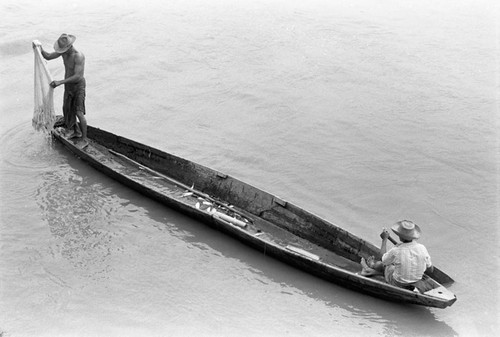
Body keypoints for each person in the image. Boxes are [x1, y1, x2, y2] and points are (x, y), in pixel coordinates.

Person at [34, 34, 88, 148]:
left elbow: (78, 76)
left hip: (78, 86)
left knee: (79, 112)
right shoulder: (64, 53)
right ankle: (74, 131)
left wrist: (60, 82)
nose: (62, 52)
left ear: (69, 46)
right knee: (67, 109)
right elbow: (48, 56)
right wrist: (39, 47)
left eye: (64, 49)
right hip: (68, 86)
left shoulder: (78, 56)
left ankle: (84, 139)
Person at [360, 220, 434, 292]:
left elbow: (382, 259)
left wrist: (384, 239)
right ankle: (373, 270)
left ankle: (371, 267)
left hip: (398, 284)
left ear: (400, 236)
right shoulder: (422, 248)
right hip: (416, 281)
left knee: (385, 264)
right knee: (396, 263)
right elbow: (431, 269)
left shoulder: (396, 250)